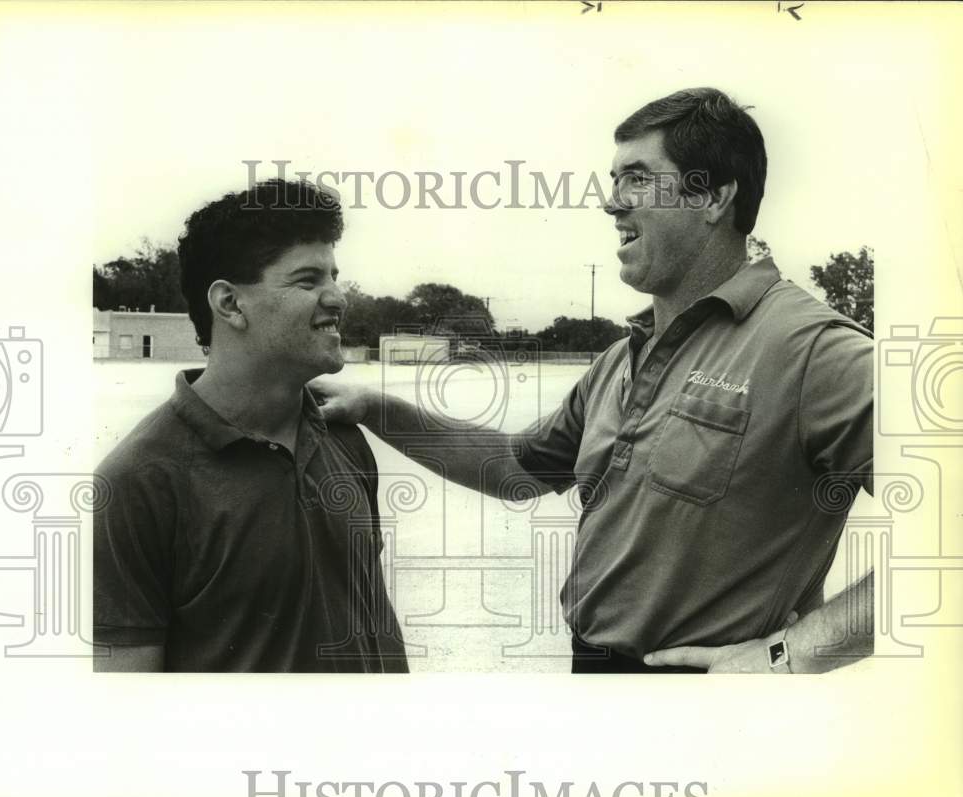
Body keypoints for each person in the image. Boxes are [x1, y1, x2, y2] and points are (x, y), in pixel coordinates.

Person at [312, 88, 874, 673]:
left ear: (712, 196)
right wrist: (375, 407)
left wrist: (790, 657)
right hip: (597, 679)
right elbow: (513, 469)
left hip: (716, 705)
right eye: (614, 180)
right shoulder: (619, 360)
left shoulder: (812, 350)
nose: (612, 203)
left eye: (637, 178)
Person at [93, 178, 408, 672]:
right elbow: (128, 702)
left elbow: (370, 623)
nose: (338, 297)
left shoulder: (343, 436)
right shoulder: (139, 481)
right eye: (308, 280)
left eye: (334, 275)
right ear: (230, 304)